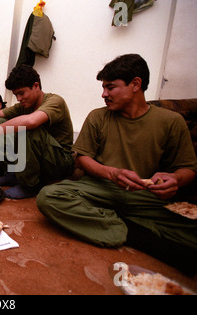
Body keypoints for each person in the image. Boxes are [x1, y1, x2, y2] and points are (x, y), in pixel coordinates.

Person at [37, 54, 197, 275]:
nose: (104, 94)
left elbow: (188, 169)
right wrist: (110, 173)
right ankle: (135, 233)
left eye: (110, 87)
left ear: (135, 84)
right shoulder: (98, 117)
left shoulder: (171, 122)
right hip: (99, 188)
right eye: (103, 88)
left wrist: (175, 179)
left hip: (145, 194)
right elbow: (82, 158)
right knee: (49, 197)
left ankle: (113, 223)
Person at [0, 65, 74, 199]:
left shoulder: (55, 101)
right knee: (0, 121)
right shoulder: (25, 105)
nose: (19, 99)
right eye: (16, 95)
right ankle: (13, 174)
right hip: (42, 159)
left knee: (28, 128)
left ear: (36, 86)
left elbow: (31, 122)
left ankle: (30, 186)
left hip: (60, 162)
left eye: (22, 93)